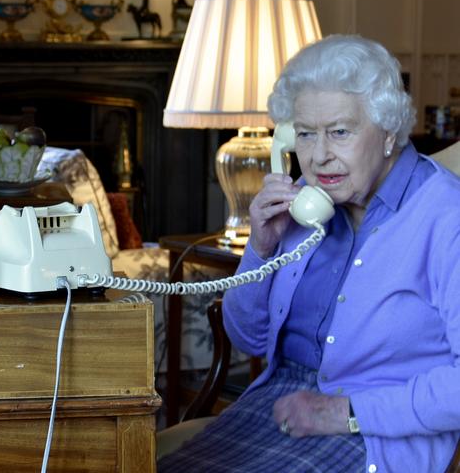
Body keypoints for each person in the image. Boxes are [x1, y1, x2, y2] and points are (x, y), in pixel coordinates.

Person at [158, 34, 460, 472]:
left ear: (389, 130)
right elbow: (248, 339)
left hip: (372, 432)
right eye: (304, 134)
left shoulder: (446, 216)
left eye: (339, 131)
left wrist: (345, 412)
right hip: (277, 409)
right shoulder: (306, 202)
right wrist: (260, 248)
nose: (319, 157)